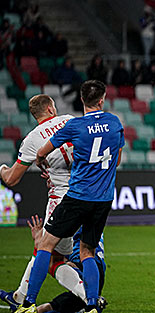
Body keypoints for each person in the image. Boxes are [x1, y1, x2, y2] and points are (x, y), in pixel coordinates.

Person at [14, 80, 124, 313]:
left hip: (76, 196)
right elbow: (118, 158)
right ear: (102, 100)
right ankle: (92, 305)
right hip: (103, 198)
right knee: (88, 252)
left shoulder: (75, 126)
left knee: (45, 244)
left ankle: (28, 303)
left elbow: (43, 152)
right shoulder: (114, 122)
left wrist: (42, 162)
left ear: (81, 100)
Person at [0, 95, 87, 310]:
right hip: (87, 194)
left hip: (61, 201)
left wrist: (1, 168)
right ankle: (19, 295)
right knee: (83, 253)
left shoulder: (32, 139)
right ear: (50, 108)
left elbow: (12, 179)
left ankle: (90, 298)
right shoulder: (69, 120)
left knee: (48, 256)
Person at [26, 216, 107, 313]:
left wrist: (40, 242)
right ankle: (91, 302)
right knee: (46, 308)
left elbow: (53, 256)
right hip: (95, 274)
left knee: (50, 261)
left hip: (83, 267)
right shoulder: (95, 218)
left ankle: (91, 300)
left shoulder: (72, 218)